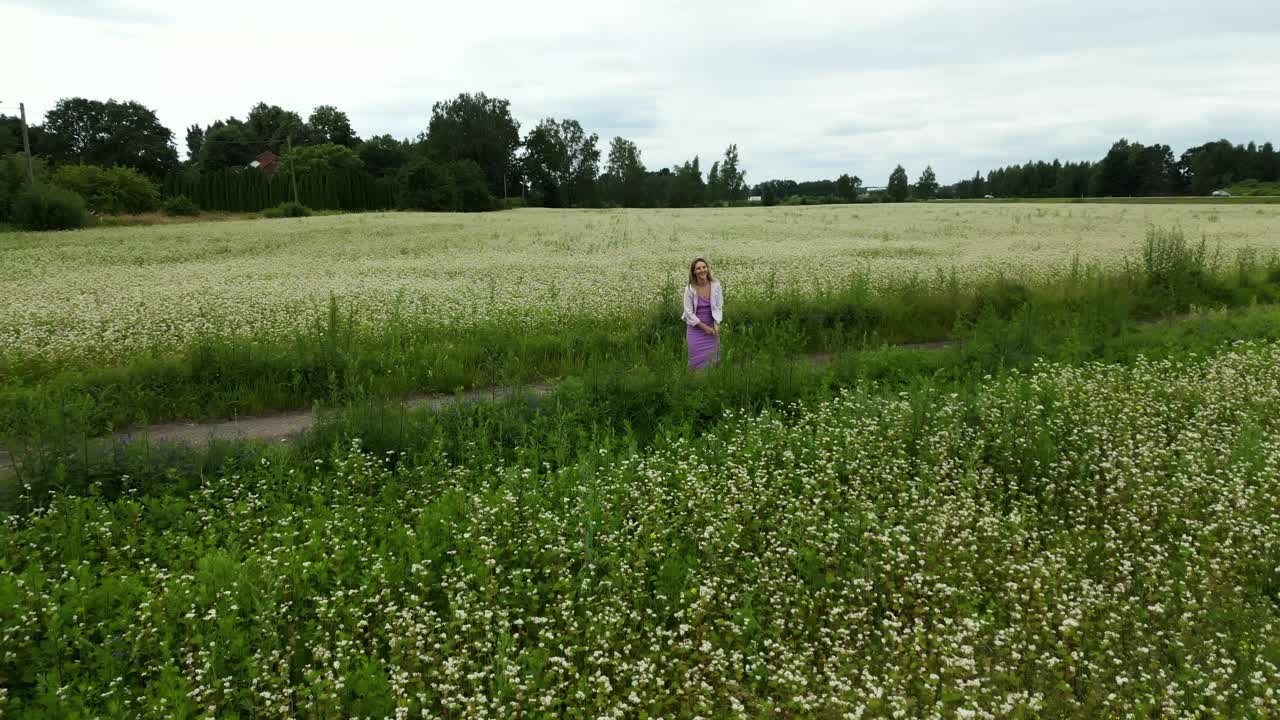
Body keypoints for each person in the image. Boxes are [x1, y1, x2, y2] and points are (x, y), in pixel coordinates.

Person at [682, 256, 723, 370]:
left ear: (708, 269)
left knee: (715, 360)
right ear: (694, 272)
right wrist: (704, 327)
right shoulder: (690, 289)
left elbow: (719, 307)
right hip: (696, 330)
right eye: (698, 268)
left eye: (704, 267)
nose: (702, 270)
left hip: (712, 330)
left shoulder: (716, 285)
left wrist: (717, 324)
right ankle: (692, 385)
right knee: (695, 362)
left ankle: (713, 384)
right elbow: (688, 313)